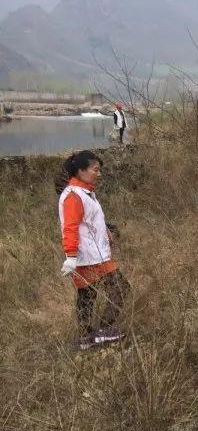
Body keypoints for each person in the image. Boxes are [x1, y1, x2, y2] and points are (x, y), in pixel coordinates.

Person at [58, 150, 130, 350]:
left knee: (87, 296)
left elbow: (89, 221)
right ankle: (103, 332)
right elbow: (70, 227)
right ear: (81, 170)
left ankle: (85, 338)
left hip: (95, 254)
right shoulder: (74, 195)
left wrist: (106, 232)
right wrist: (71, 256)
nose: (98, 174)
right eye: (95, 170)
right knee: (120, 289)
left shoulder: (86, 193)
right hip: (88, 257)